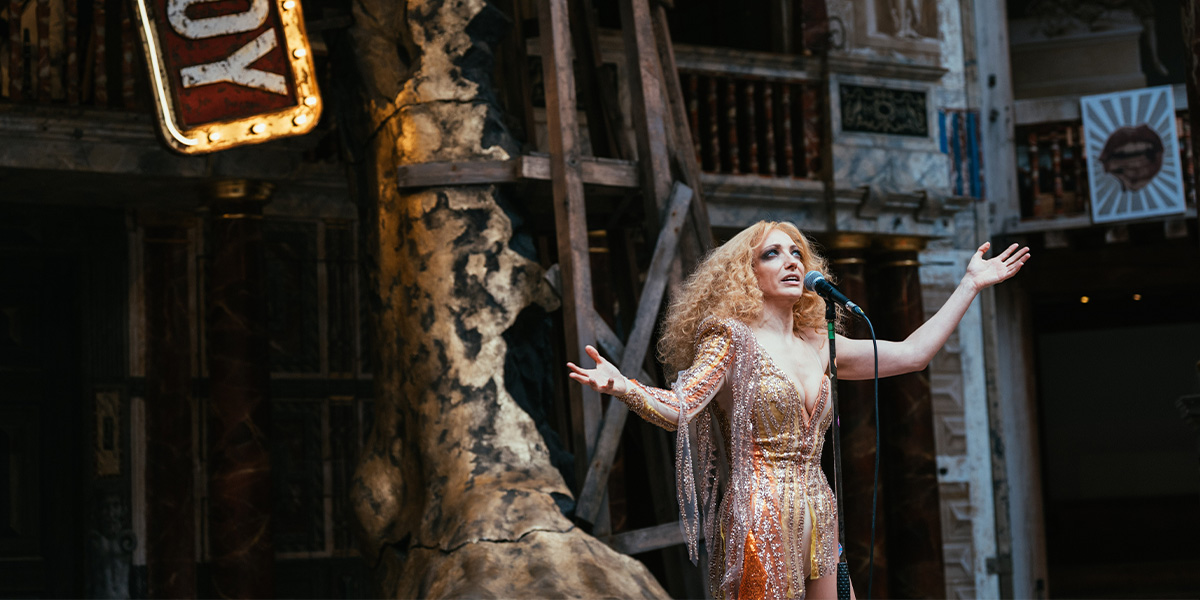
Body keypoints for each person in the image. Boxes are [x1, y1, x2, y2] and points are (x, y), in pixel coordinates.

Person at [567, 221, 1030, 600]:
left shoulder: (819, 343)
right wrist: (625, 387)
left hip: (818, 507)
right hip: (761, 510)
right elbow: (680, 406)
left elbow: (913, 354)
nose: (791, 261)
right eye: (772, 254)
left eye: (796, 253)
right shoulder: (731, 338)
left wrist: (970, 284)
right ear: (745, 274)